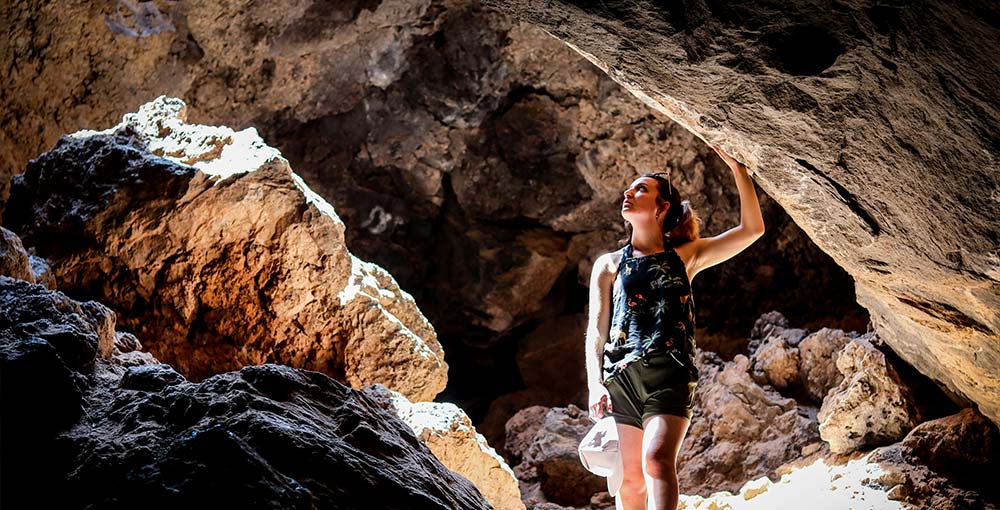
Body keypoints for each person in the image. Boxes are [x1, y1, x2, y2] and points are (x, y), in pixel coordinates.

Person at [584, 145, 765, 510]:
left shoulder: (687, 255)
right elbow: (596, 332)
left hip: (671, 374)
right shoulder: (608, 264)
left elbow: (752, 229)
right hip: (621, 380)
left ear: (662, 207)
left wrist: (738, 171)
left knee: (656, 461)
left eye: (640, 190)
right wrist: (594, 384)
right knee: (630, 481)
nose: (627, 193)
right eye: (630, 189)